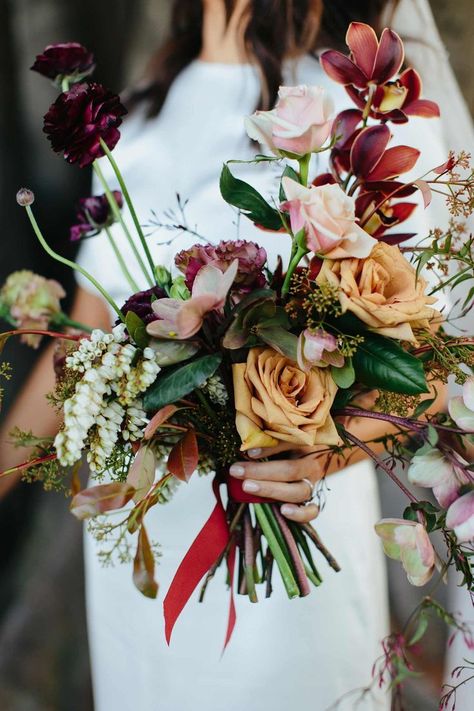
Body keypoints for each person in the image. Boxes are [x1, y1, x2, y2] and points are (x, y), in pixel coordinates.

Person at [0, 1, 457, 709]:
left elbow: (435, 376)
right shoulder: (140, 113)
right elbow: (79, 352)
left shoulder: (367, 114)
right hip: (138, 567)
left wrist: (320, 450)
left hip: (292, 564)